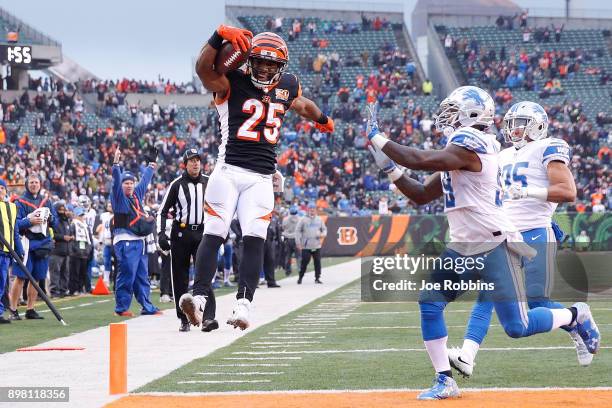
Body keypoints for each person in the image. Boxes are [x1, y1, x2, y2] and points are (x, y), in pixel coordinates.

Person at [367, 87, 600, 400]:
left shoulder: (474, 145)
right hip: (463, 244)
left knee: (518, 326)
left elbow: (419, 159)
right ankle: (445, 380)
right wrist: (389, 169)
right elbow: (421, 194)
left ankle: (574, 316)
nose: (445, 116)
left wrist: (378, 138)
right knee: (430, 302)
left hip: (496, 245)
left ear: (473, 113)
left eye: (452, 110)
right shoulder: (459, 151)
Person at [180, 25, 334, 331]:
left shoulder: (287, 86)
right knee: (214, 233)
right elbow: (203, 70)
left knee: (254, 240)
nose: (264, 68)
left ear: (280, 67)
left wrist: (322, 119)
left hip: (262, 176)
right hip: (229, 170)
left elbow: (302, 105)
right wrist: (216, 37)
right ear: (248, 59)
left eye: (270, 64)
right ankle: (198, 299)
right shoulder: (231, 80)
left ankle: (243, 304)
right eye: (259, 61)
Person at [448, 101, 591, 377]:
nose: (515, 129)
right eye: (511, 124)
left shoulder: (548, 146)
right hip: (505, 234)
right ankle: (467, 355)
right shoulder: (500, 156)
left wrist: (528, 193)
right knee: (486, 297)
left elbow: (567, 190)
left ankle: (576, 319)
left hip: (536, 230)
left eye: (522, 123)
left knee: (537, 302)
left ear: (538, 124)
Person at [157, 148, 211, 332]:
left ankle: (207, 317)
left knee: (204, 273)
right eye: (191, 160)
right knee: (179, 276)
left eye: (198, 160)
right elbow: (163, 211)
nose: (195, 163)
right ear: (185, 164)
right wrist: (161, 234)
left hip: (202, 232)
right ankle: (184, 319)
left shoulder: (209, 182)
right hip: (181, 233)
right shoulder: (177, 184)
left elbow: (219, 207)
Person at [110, 148, 160, 317]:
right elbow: (115, 181)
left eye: (131, 182)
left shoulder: (136, 195)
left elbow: (145, 181)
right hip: (125, 241)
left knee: (141, 276)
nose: (129, 185)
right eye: (126, 183)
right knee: (127, 274)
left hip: (139, 241)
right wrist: (115, 164)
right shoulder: (118, 197)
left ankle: (147, 306)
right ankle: (121, 308)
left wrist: (151, 166)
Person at [9, 174, 58, 320]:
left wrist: (50, 218)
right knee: (21, 277)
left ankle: (31, 309)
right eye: (31, 182)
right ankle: (13, 309)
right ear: (26, 184)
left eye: (36, 182)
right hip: (26, 243)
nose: (34, 184)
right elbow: (15, 224)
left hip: (42, 243)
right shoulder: (20, 202)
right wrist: (30, 221)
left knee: (36, 278)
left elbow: (55, 223)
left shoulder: (47, 201)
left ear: (40, 184)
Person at [0, 179, 24, 323]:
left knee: (2, 284)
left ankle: (0, 312)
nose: (0, 190)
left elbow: (14, 231)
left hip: (6, 252)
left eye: (2, 188)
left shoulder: (12, 208)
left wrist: (19, 250)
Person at [295, 203, 327, 284]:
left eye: (313, 209)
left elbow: (324, 229)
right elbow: (297, 230)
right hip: (306, 246)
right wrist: (298, 242)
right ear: (308, 210)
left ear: (315, 210)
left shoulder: (319, 219)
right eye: (310, 209)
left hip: (316, 245)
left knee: (317, 262)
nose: (312, 210)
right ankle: (300, 277)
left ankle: (317, 278)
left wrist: (323, 234)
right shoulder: (303, 219)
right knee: (304, 262)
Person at [49, 201, 73, 298]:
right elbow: (51, 234)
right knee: (55, 272)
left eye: (63, 209)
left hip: (66, 250)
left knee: (65, 272)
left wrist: (71, 237)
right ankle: (54, 291)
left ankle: (63, 290)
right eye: (60, 209)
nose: (62, 211)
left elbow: (69, 232)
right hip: (56, 251)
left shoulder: (66, 221)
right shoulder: (54, 221)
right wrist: (63, 237)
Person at [68, 206, 93, 295]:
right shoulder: (72, 224)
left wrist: (88, 250)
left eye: (82, 215)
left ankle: (80, 288)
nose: (81, 217)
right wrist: (73, 250)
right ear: (75, 216)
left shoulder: (86, 226)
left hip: (84, 252)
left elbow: (89, 239)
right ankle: (73, 289)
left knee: (83, 272)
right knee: (74, 272)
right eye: (80, 215)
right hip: (75, 252)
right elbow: (71, 238)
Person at [282, 205, 300, 276]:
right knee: (298, 256)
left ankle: (287, 271)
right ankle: (300, 270)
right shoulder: (299, 219)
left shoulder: (285, 219)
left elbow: (283, 227)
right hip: (296, 239)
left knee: (288, 256)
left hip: (288, 239)